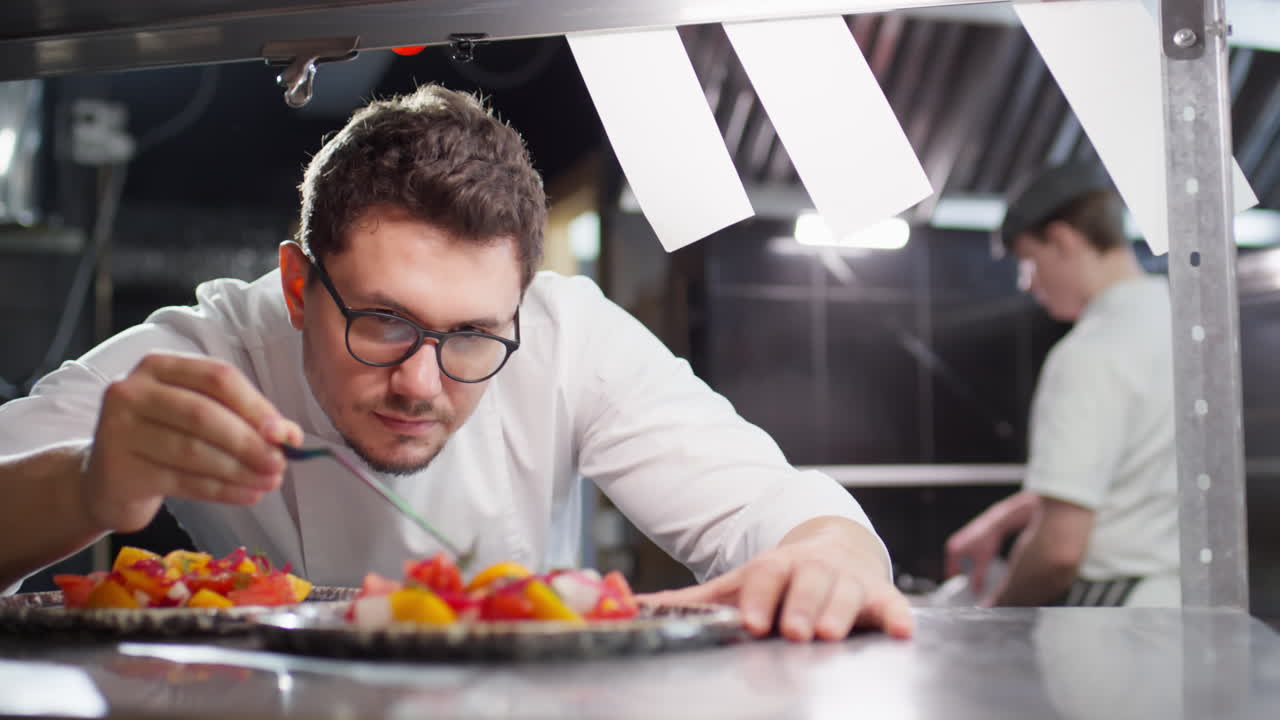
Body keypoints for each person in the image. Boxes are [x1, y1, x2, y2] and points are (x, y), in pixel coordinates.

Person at [0, 84, 911, 642]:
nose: (421, 384)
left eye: (474, 334)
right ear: (296, 287)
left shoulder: (567, 337)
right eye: (386, 322)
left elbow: (774, 506)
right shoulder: (209, 348)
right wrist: (86, 484)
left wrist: (829, 555)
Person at [943, 162, 1179, 607]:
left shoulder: (1089, 351)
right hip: (1175, 599)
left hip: (1112, 612)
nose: (1027, 284)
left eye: (1028, 262)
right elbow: (1126, 477)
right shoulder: (1178, 320)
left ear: (1064, 240)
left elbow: (1058, 551)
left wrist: (992, 621)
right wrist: (1003, 517)